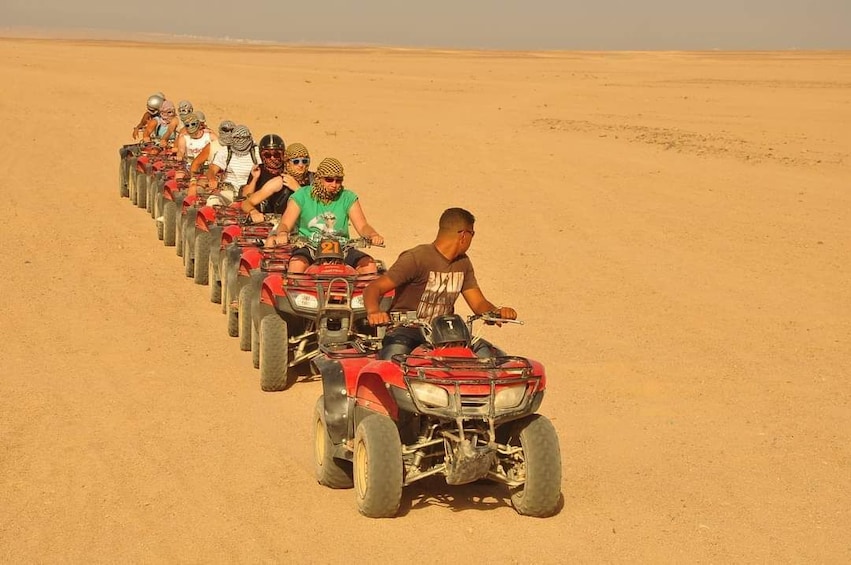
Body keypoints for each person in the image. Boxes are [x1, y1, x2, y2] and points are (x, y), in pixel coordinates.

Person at [363, 207, 517, 359]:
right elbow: (373, 288)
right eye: (472, 233)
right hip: (407, 330)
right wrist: (374, 312)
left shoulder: (463, 263)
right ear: (464, 235)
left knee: (491, 357)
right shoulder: (417, 258)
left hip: (446, 333)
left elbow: (478, 303)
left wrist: (497, 311)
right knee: (393, 358)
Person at [265, 157, 383, 274]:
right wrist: (282, 233)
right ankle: (296, 293)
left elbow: (362, 226)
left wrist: (373, 235)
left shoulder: (348, 197)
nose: (334, 184)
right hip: (309, 246)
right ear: (318, 178)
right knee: (297, 264)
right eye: (329, 180)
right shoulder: (302, 195)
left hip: (342, 247)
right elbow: (285, 223)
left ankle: (364, 293)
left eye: (338, 180)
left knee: (369, 265)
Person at [241, 139, 312, 222]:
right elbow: (246, 203)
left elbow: (318, 208)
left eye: (304, 161)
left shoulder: (314, 180)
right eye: (296, 161)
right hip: (282, 227)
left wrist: (298, 189)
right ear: (287, 162)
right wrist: (253, 212)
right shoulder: (280, 182)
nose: (301, 165)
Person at [206, 124, 258, 203]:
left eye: (243, 138)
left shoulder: (256, 152)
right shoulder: (225, 151)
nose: (240, 141)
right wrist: (212, 179)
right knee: (212, 201)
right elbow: (212, 169)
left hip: (250, 194)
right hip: (228, 192)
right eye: (237, 138)